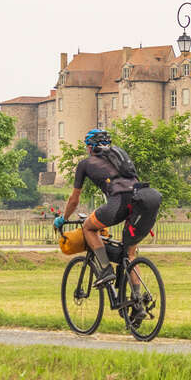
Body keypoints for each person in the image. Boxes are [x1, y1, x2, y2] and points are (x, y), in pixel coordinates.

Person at [54, 129, 147, 303]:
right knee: (130, 256)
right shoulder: (120, 159)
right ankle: (138, 301)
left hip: (118, 202)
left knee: (89, 227)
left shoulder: (85, 164)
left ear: (90, 147)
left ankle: (105, 270)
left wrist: (63, 218)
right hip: (139, 201)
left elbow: (74, 200)